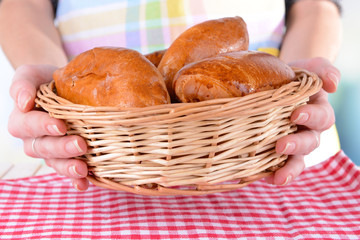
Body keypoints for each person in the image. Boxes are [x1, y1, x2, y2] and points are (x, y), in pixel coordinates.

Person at [0, 0, 342, 191]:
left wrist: (295, 85)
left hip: (267, 145)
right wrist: (58, 89)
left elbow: (316, 5)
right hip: (94, 157)